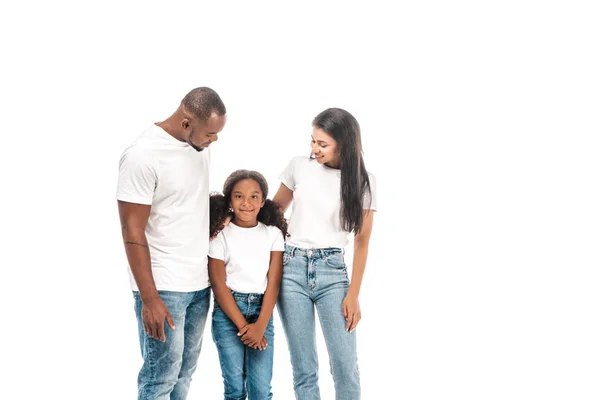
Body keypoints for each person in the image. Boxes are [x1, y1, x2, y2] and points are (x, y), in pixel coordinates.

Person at [116, 87, 227, 400]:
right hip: (163, 287)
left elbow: (187, 204)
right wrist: (150, 299)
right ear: (187, 123)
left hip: (198, 284)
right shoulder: (142, 155)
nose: (214, 140)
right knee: (159, 380)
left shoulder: (199, 146)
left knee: (184, 377)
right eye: (211, 133)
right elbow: (131, 229)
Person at [272, 108, 377, 400]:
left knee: (345, 366)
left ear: (343, 144)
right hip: (291, 269)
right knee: (303, 367)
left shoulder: (363, 181)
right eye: (312, 141)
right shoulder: (298, 166)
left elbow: (362, 242)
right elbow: (273, 212)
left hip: (333, 271)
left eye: (322, 144)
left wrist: (353, 294)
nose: (314, 149)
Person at [208, 170, 287, 400]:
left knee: (261, 391)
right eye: (239, 196)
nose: (246, 203)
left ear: (263, 201)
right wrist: (244, 327)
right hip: (228, 313)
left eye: (254, 196)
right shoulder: (220, 234)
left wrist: (260, 326)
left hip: (262, 311)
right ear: (229, 200)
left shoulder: (272, 234)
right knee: (234, 389)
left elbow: (274, 282)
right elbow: (218, 284)